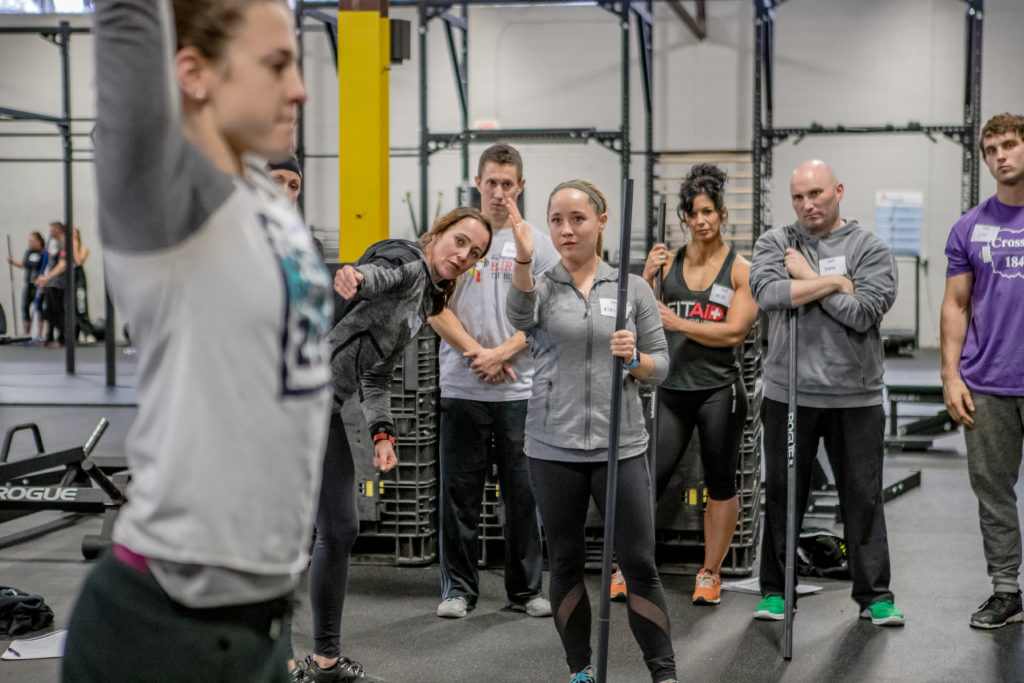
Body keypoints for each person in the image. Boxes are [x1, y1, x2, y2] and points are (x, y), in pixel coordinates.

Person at [64, 1, 333, 680]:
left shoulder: (264, 194)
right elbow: (130, 19)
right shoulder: (165, 198)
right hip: (163, 630)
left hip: (262, 620)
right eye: (278, 65)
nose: (299, 87)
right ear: (192, 72)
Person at [287, 207, 491, 683]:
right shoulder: (411, 264)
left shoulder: (427, 304)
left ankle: (326, 661)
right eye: (459, 241)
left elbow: (376, 375)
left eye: (475, 252)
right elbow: (381, 272)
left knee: (338, 530)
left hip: (323, 407)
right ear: (437, 234)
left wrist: (383, 434)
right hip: (290, 399)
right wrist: (356, 276)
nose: (464, 255)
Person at [507, 180, 677, 683]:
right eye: (556, 220)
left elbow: (662, 365)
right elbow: (515, 316)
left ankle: (664, 674)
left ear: (601, 223)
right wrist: (521, 261)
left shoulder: (632, 289)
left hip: (619, 448)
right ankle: (579, 670)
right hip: (551, 446)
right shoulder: (537, 285)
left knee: (640, 564)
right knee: (564, 562)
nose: (565, 230)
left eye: (577, 219)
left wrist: (636, 360)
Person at [749, 159, 904, 626]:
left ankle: (875, 596)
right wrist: (835, 282)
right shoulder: (775, 242)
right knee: (782, 494)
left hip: (853, 397)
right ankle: (777, 591)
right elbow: (767, 293)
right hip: (788, 394)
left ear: (838, 190)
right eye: (798, 197)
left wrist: (804, 278)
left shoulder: (870, 248)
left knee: (862, 496)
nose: (807, 204)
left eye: (816, 194)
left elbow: (863, 313)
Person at [430, 143, 557, 620]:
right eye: (492, 183)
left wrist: (503, 353)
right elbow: (433, 305)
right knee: (459, 497)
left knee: (523, 497)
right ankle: (457, 591)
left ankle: (526, 592)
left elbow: (549, 312)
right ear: (477, 184)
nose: (500, 192)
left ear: (520, 187)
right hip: (463, 388)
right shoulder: (458, 239)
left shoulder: (536, 244)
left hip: (520, 392)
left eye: (508, 184)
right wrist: (477, 354)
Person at [640, 164, 757, 606]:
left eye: (709, 211)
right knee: (648, 478)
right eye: (693, 213)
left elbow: (733, 333)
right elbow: (644, 318)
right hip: (673, 389)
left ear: (722, 214)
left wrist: (680, 322)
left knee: (720, 482)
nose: (701, 219)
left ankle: (710, 572)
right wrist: (649, 279)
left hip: (718, 391)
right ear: (684, 218)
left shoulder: (740, 269)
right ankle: (627, 566)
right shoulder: (667, 262)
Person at [941, 112, 1024, 630]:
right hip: (988, 382)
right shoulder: (969, 227)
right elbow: (955, 305)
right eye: (991, 149)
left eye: (1010, 144)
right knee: (993, 491)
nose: (1001, 155)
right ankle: (1007, 590)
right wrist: (951, 374)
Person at [267, 156, 324, 260]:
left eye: (293, 186)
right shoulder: (242, 234)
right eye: (277, 181)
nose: (284, 191)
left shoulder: (309, 246)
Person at [6, 231, 45, 335]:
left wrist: (43, 282)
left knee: (40, 309)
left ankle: (40, 334)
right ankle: (26, 334)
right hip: (28, 284)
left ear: (39, 241)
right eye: (29, 241)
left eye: (32, 241)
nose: (29, 243)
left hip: (38, 285)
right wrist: (13, 262)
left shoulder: (43, 253)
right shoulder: (28, 252)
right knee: (25, 307)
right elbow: (24, 265)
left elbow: (47, 268)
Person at [35, 221, 67, 347]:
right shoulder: (53, 245)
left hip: (60, 284)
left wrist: (47, 278)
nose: (49, 232)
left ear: (58, 230)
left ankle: (62, 339)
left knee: (59, 312)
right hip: (51, 284)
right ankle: (49, 337)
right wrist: (43, 279)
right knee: (49, 312)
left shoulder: (64, 244)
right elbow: (50, 264)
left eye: (52, 230)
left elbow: (62, 265)